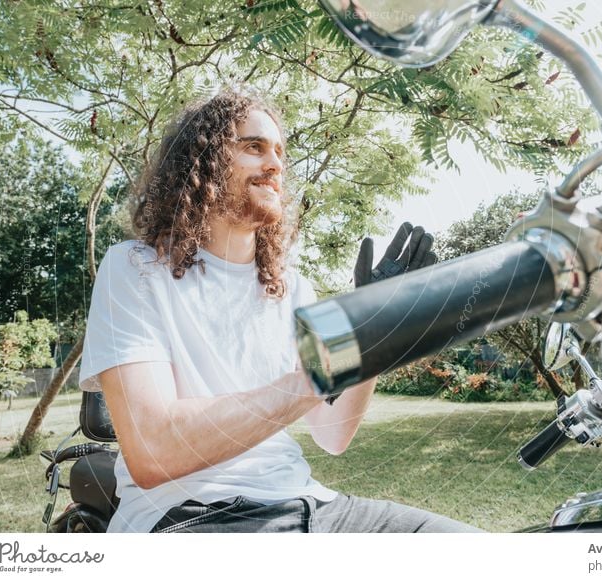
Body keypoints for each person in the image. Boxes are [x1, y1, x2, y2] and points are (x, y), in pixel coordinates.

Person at [79, 89, 480, 533]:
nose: (276, 165)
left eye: (280, 153)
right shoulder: (132, 266)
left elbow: (333, 433)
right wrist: (322, 372)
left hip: (308, 502)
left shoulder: (295, 286)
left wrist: (374, 336)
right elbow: (153, 452)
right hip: (191, 515)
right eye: (254, 147)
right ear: (202, 161)